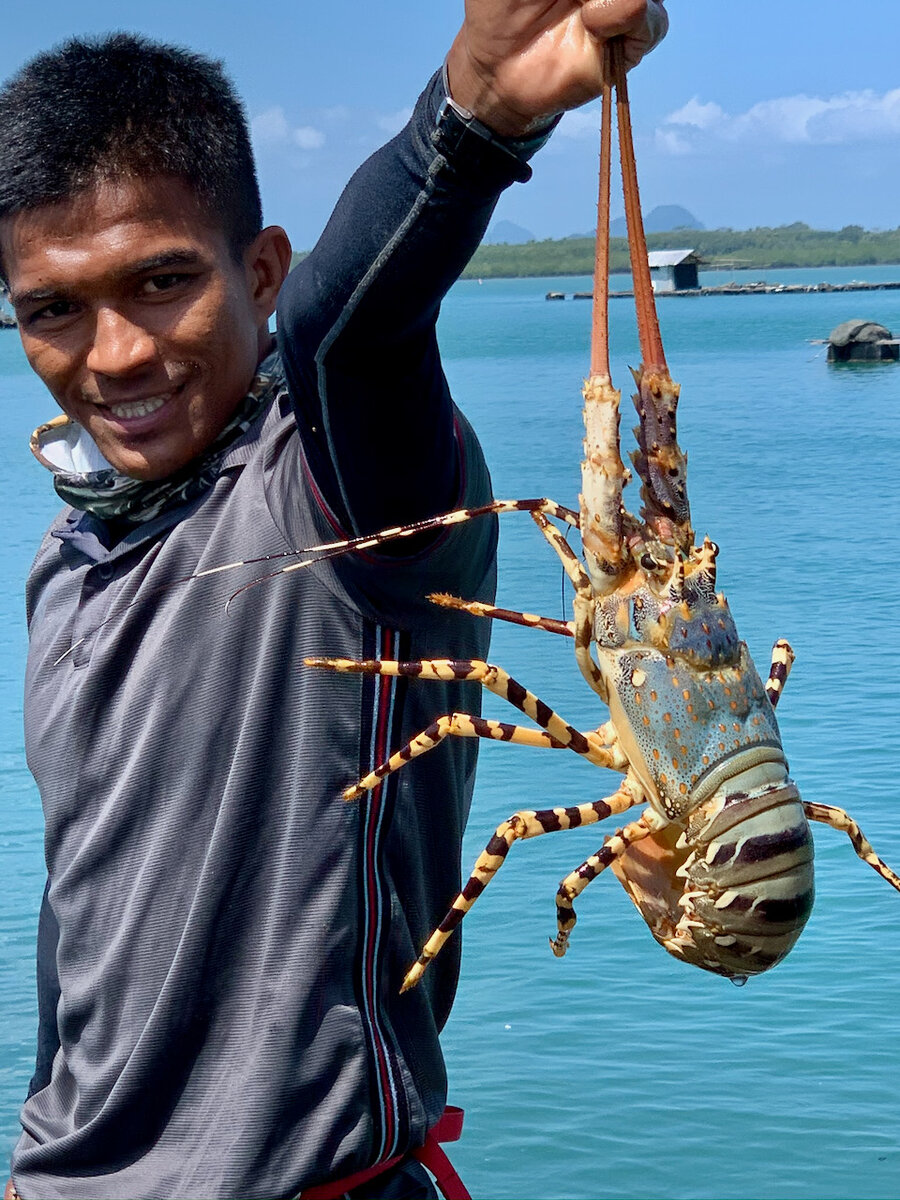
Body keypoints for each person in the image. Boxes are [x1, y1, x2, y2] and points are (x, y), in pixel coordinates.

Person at [0, 2, 667, 1196]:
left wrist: (476, 118)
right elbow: (81, 914)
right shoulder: (67, 562)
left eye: (160, 283)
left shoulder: (339, 497)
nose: (113, 355)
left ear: (260, 271)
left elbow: (349, 336)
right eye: (53, 308)